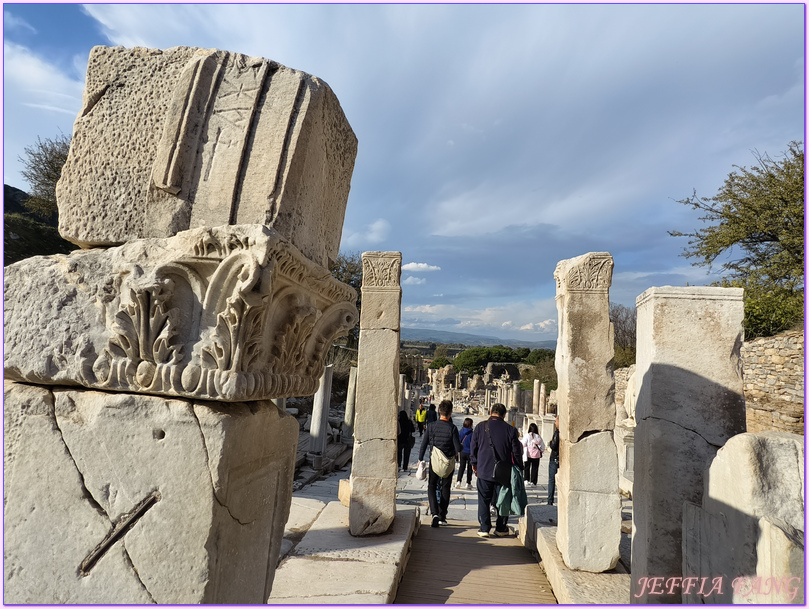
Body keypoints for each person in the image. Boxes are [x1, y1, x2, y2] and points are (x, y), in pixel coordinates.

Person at [470, 402, 522, 537]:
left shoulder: (481, 427)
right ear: (504, 415)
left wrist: (474, 463)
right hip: (503, 472)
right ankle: (501, 527)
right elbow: (516, 452)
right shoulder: (510, 430)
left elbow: (473, 447)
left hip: (484, 468)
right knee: (503, 499)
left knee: (484, 499)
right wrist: (518, 468)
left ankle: (484, 528)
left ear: (490, 412)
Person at [418, 400, 462, 528]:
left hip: (435, 461)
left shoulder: (431, 426)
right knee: (446, 488)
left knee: (432, 486)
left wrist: (420, 459)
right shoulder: (452, 428)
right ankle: (443, 516)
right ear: (450, 413)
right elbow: (458, 448)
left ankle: (434, 513)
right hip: (448, 462)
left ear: (439, 412)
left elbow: (424, 444)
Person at [455, 418, 474, 489]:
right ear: (471, 425)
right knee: (469, 468)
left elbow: (458, 441)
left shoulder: (461, 431)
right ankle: (468, 483)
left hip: (463, 452)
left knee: (461, 467)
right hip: (470, 453)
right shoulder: (472, 433)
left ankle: (458, 481)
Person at [547, 416, 560, 505]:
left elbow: (553, 446)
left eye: (556, 421)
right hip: (560, 459)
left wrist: (550, 442)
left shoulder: (557, 433)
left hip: (554, 458)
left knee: (551, 480)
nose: (555, 423)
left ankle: (550, 500)